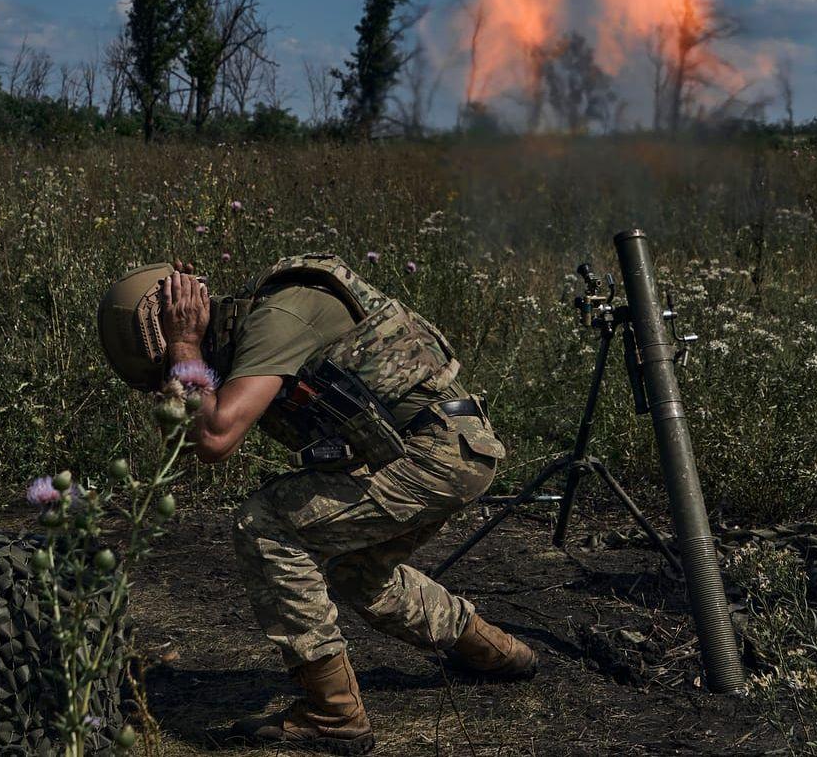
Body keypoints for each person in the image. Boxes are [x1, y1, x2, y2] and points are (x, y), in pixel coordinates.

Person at [97, 253, 537, 754]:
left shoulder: (275, 319)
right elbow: (192, 436)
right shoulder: (252, 333)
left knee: (266, 522)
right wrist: (183, 366)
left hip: (436, 452)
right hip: (439, 452)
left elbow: (216, 438)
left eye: (165, 373)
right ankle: (498, 653)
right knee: (359, 575)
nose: (171, 381)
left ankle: (332, 713)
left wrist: (181, 344)